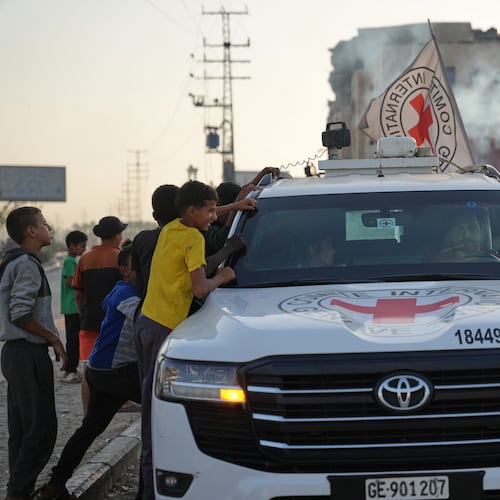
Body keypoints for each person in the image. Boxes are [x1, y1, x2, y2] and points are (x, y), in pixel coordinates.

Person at [134, 180, 236, 500]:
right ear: (191, 211)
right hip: (165, 328)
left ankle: (144, 487)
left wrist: (234, 207)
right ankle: (151, 493)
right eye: (208, 211)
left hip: (146, 322)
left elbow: (208, 211)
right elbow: (200, 289)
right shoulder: (193, 236)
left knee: (150, 410)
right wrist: (224, 275)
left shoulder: (172, 229)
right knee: (157, 418)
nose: (213, 217)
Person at [34, 244, 142, 500]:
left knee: (89, 429)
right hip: (114, 373)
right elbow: (150, 319)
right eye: (141, 265)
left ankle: (55, 484)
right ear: (125, 270)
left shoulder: (126, 290)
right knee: (159, 411)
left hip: (103, 371)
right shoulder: (128, 293)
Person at [0, 206, 68, 500]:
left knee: (22, 429)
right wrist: (54, 339)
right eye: (43, 224)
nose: (49, 227)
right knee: (40, 430)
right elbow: (20, 312)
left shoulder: (12, 261)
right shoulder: (26, 264)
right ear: (30, 231)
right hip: (27, 354)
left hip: (14, 354)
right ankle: (17, 493)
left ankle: (19, 489)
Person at [72, 215, 127, 415]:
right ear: (116, 236)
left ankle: (88, 412)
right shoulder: (120, 257)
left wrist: (83, 314)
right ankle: (121, 403)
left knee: (89, 368)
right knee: (120, 366)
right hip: (114, 321)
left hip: (89, 321)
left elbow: (78, 293)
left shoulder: (85, 258)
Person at [131, 184, 180, 295]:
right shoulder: (190, 238)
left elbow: (136, 280)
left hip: (148, 307)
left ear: (154, 216)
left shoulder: (141, 239)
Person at [59, 230, 88, 384]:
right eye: (82, 246)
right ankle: (70, 370)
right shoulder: (71, 262)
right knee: (73, 340)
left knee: (73, 339)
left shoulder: (70, 260)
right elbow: (70, 282)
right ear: (72, 246)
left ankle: (70, 368)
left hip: (70, 307)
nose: (84, 249)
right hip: (73, 306)